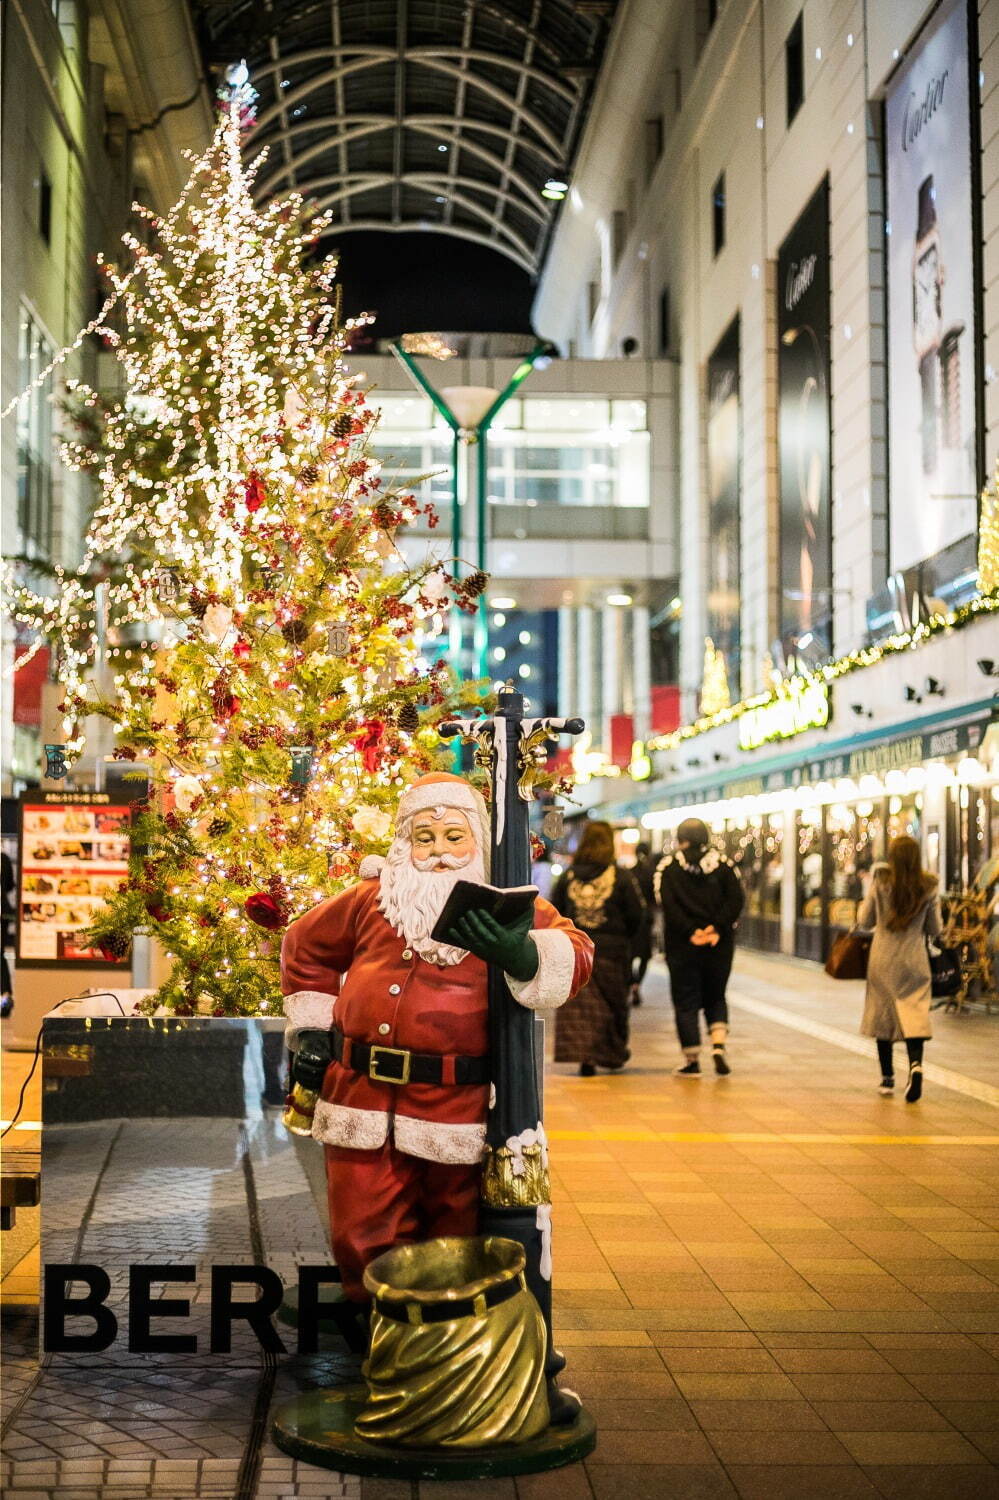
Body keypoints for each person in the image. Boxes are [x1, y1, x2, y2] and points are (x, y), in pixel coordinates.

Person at [280, 772, 594, 1302]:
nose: (440, 853)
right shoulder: (369, 900)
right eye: (425, 839)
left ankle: (442, 1357)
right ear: (405, 843)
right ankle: (378, 1347)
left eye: (454, 838)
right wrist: (313, 1029)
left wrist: (522, 954)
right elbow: (304, 945)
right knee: (360, 1234)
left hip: (456, 1106)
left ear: (476, 840)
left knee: (453, 1240)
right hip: (362, 1098)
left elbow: (577, 950)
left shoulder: (504, 902)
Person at [551, 820, 645, 1075]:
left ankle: (586, 1056)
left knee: (581, 1006)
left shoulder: (569, 875)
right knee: (612, 1003)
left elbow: (555, 911)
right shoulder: (621, 877)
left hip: (576, 949)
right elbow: (637, 915)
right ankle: (610, 1053)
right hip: (612, 952)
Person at [655, 818, 744, 1076]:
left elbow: (667, 905)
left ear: (680, 838)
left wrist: (691, 931)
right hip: (719, 944)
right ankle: (718, 1045)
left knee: (686, 1000)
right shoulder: (725, 865)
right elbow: (736, 900)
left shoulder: (669, 867)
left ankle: (692, 1060)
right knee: (716, 995)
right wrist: (715, 928)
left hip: (683, 945)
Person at [857, 835, 941, 1103]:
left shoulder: (880, 882)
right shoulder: (928, 887)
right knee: (914, 1013)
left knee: (882, 1013)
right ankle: (915, 1065)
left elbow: (865, 920)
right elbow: (935, 929)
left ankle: (887, 1077)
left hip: (883, 958)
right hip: (914, 958)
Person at [628, 840, 657, 1006]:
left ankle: (632, 981)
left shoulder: (630, 873)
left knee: (630, 955)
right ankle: (638, 983)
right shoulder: (652, 873)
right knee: (645, 956)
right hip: (647, 920)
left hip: (633, 920)